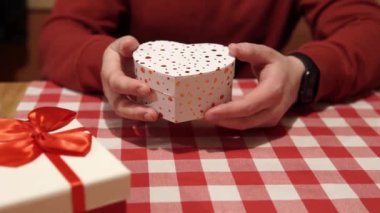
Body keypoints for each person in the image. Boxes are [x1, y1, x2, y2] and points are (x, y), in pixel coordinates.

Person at [39, 0, 380, 130]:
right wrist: (109, 62)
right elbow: (61, 32)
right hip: (146, 123)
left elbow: (367, 27)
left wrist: (300, 73)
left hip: (255, 130)